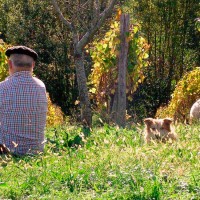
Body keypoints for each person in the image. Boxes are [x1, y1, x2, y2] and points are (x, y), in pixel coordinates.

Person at [0, 46, 47, 155]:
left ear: (10, 64)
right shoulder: (41, 86)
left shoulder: (2, 88)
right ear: (33, 65)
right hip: (36, 151)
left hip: (6, 151)